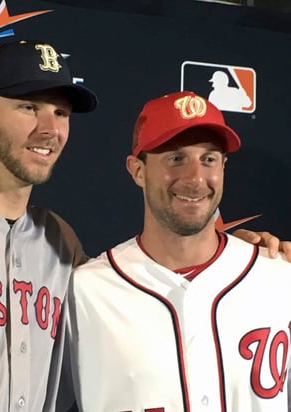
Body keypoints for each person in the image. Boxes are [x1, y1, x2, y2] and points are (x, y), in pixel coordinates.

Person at [0, 41, 287, 411]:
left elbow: (149, 291)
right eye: (28, 106)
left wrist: (244, 255)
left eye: (60, 112)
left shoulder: (58, 243)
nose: (49, 128)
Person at [66, 91, 291, 412]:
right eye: (175, 158)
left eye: (209, 159)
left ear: (224, 167)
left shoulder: (279, 276)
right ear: (137, 170)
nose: (195, 178)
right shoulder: (86, 291)